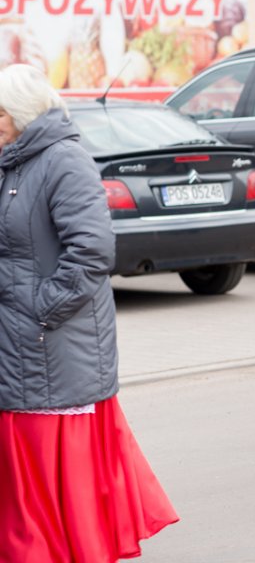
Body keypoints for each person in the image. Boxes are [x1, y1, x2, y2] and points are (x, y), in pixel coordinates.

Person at [0, 64, 178, 560]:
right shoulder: (11, 161)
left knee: (51, 466)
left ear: (22, 113)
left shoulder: (64, 160)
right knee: (24, 472)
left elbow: (93, 251)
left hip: (52, 340)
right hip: (18, 341)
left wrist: (41, 310)